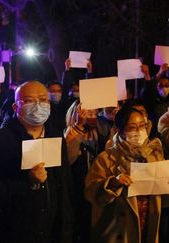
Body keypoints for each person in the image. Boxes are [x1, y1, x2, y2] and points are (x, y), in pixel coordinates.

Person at [0, 81, 73, 243]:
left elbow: (64, 184)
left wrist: (65, 227)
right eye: (29, 100)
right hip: (14, 233)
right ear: (16, 107)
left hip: (52, 232)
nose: (38, 105)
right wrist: (26, 182)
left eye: (43, 100)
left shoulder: (56, 136)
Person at [85, 104, 169, 243]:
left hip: (147, 229)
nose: (139, 131)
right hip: (118, 233)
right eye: (132, 127)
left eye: (142, 126)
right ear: (120, 131)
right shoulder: (106, 158)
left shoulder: (154, 155)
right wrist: (113, 183)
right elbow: (91, 194)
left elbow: (163, 201)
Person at [64, 100, 111, 243]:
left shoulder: (103, 134)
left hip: (99, 190)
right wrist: (78, 126)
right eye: (87, 112)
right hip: (77, 194)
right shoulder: (69, 134)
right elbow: (67, 159)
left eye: (94, 113)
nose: (92, 116)